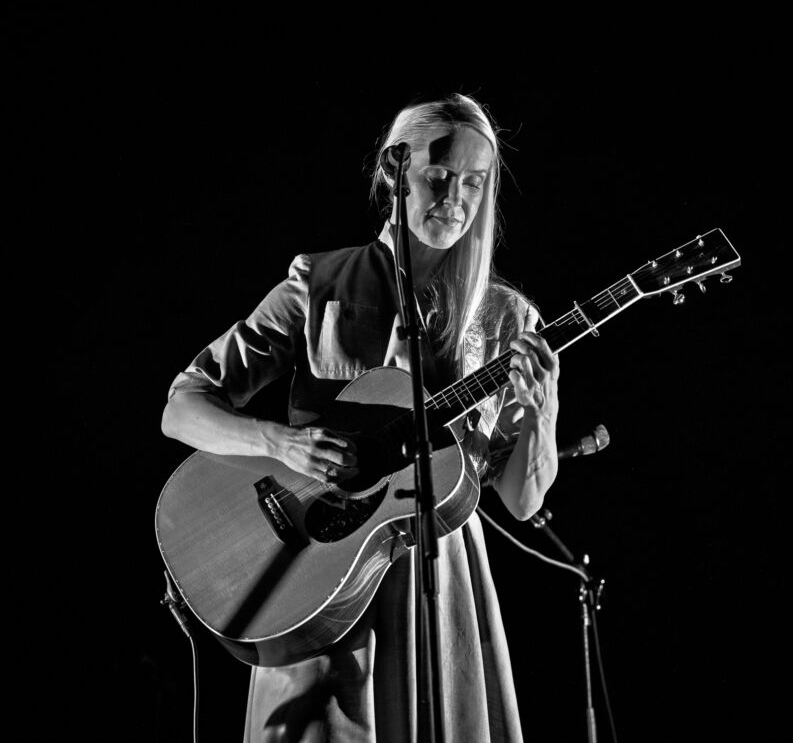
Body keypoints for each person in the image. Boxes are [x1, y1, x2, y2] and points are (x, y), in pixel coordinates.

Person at [161, 93, 560, 742]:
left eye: (474, 181)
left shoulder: (506, 321)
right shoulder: (318, 284)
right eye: (438, 175)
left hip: (441, 579)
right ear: (393, 171)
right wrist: (281, 442)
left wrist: (542, 412)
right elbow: (182, 406)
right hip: (314, 578)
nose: (455, 197)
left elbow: (520, 500)